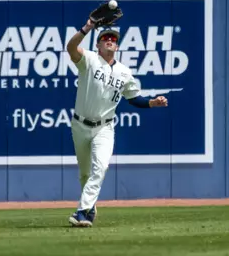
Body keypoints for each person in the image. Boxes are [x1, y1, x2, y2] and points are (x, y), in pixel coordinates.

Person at [66, 17, 168, 227]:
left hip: (105, 126)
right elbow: (71, 47)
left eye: (113, 39)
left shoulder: (124, 72)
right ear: (98, 44)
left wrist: (152, 103)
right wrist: (87, 28)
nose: (110, 41)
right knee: (85, 173)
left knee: (100, 167)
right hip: (80, 125)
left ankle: (81, 211)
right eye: (105, 38)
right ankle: (90, 206)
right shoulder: (90, 60)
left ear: (117, 45)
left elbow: (134, 99)